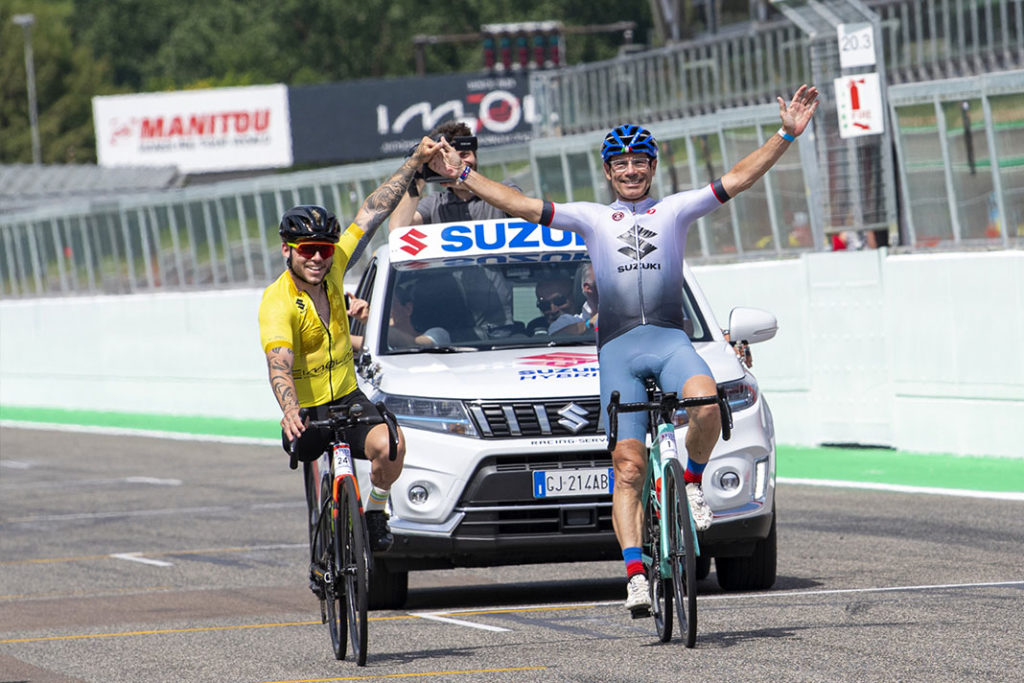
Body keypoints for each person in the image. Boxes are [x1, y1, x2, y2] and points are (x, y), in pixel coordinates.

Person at [430, 85, 819, 615]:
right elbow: (518, 203)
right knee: (629, 467)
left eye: (640, 162)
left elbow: (740, 177)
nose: (631, 171)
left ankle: (692, 482)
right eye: (622, 164)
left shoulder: (677, 211)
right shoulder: (592, 219)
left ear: (653, 167)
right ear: (609, 173)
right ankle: (636, 573)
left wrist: (785, 135)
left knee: (706, 403)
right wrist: (461, 176)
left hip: (669, 340)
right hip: (617, 351)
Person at [258, 136, 444, 554]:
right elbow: (279, 364)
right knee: (312, 455)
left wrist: (414, 161)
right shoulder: (277, 301)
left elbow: (374, 210)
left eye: (324, 250)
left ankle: (375, 511)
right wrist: (289, 410)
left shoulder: (336, 265)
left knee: (391, 444)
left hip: (346, 395)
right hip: (304, 410)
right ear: (288, 250)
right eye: (308, 251)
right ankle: (321, 534)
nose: (318, 259)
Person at [391, 120, 519, 331]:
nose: (456, 162)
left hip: (502, 326)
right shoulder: (434, 205)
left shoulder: (501, 193)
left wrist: (465, 175)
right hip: (453, 329)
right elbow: (397, 230)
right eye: (447, 158)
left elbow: (519, 204)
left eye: (464, 154)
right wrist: (418, 175)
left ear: (476, 156)